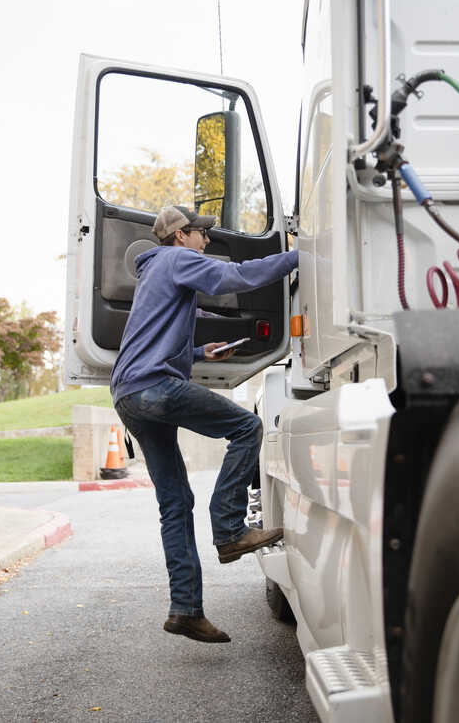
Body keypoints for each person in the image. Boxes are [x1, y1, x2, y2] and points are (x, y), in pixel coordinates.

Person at [111, 205, 298, 644]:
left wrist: (199, 354)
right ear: (180, 236)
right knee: (247, 429)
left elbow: (153, 339)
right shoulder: (178, 260)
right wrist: (300, 255)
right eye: (201, 233)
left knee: (174, 503)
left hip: (129, 394)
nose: (206, 241)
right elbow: (236, 277)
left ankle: (186, 610)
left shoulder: (154, 274)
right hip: (155, 386)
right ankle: (230, 530)